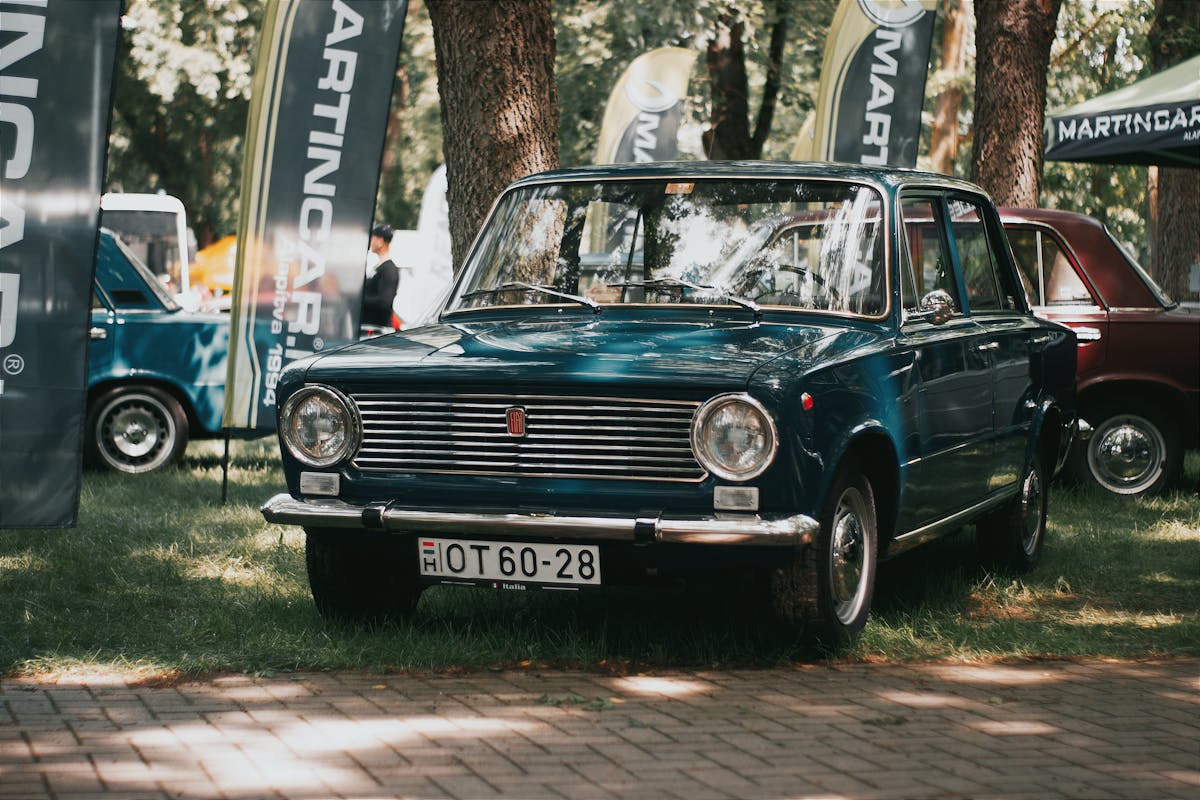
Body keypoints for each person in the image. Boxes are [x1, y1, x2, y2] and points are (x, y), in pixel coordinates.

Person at [361, 223, 399, 329]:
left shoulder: (389, 270)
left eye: (373, 238)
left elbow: (384, 302)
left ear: (381, 241)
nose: (370, 242)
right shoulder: (379, 267)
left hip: (376, 329)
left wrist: (360, 300)